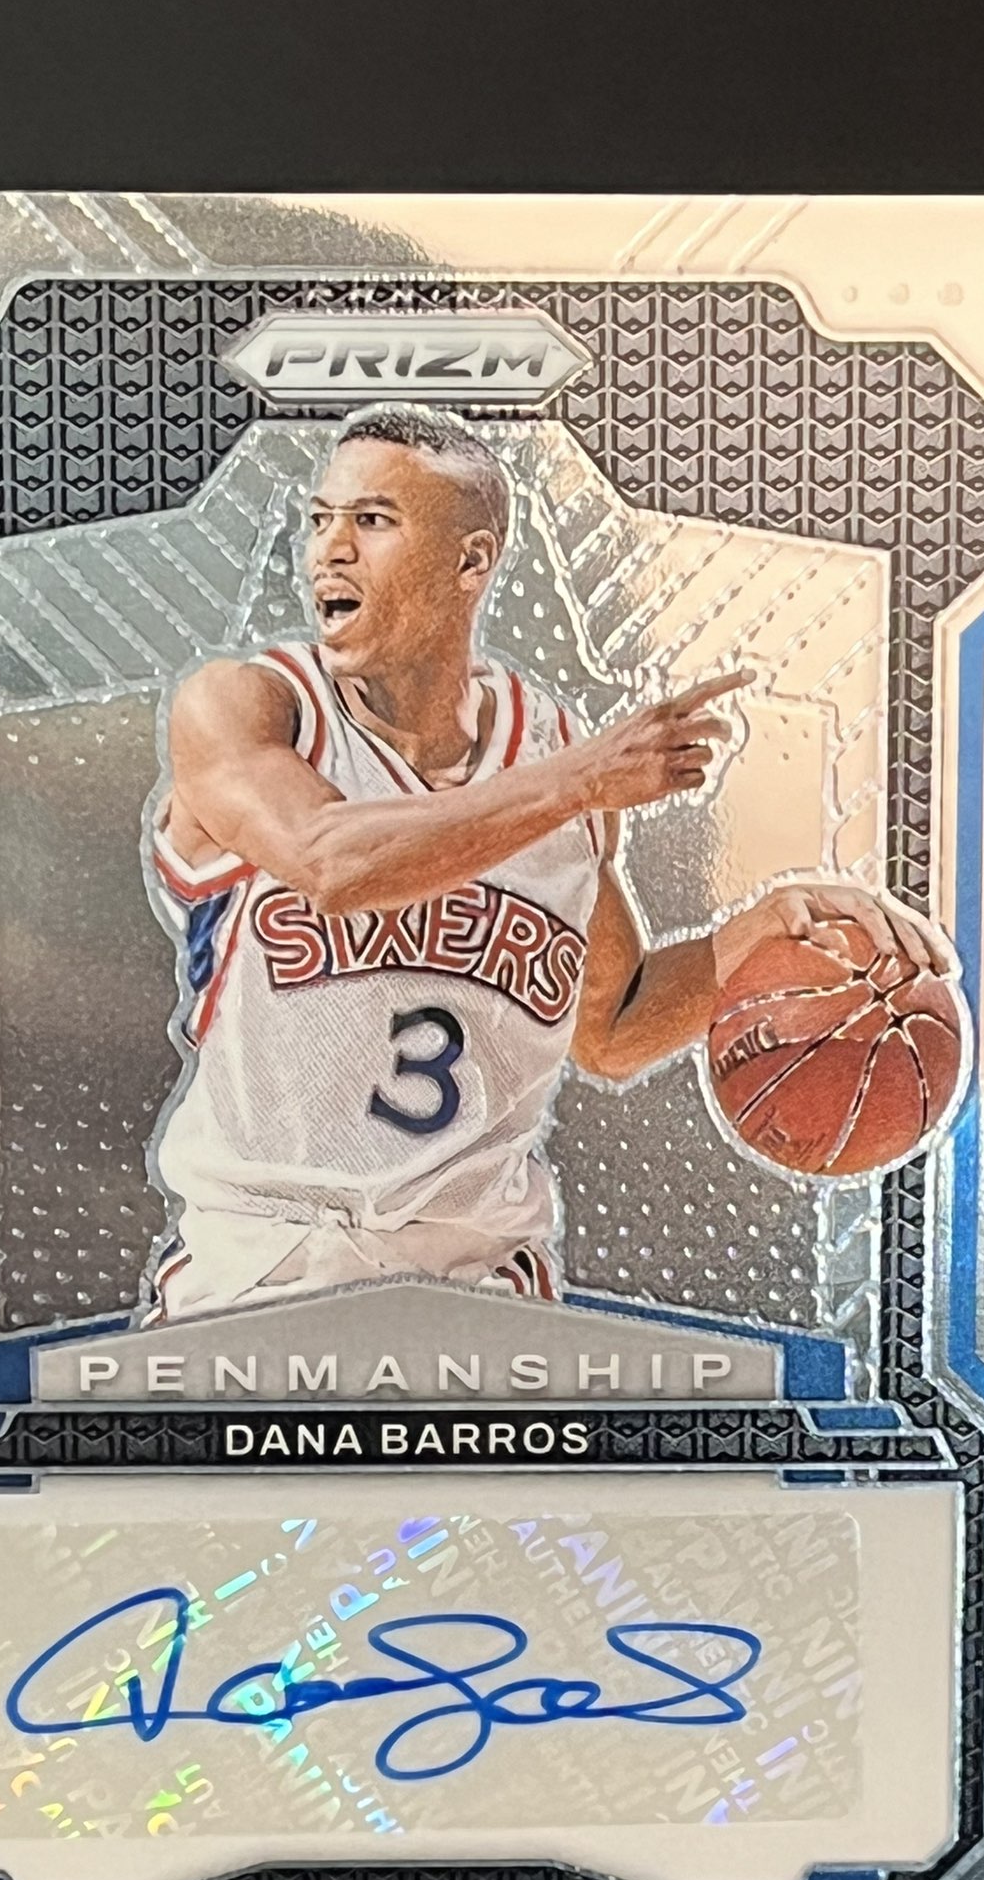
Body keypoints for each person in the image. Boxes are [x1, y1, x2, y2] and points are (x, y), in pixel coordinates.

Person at [146, 403, 943, 1317]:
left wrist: (757, 931)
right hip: (261, 1263)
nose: (329, 549)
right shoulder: (247, 708)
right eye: (321, 518)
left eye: (371, 520)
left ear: (471, 562)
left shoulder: (553, 749)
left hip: (481, 1275)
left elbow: (612, 1028)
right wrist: (577, 783)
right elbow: (330, 863)